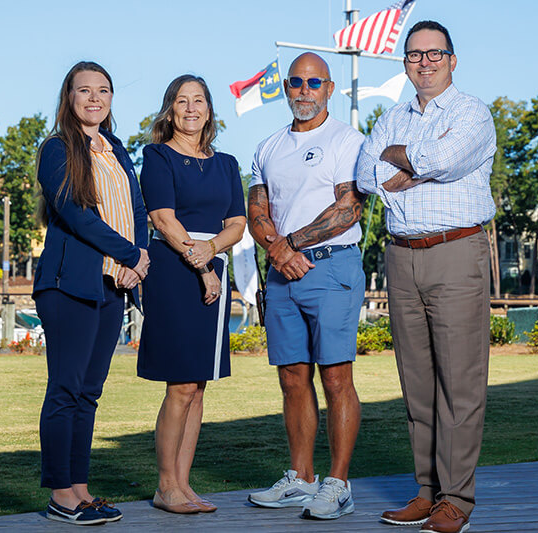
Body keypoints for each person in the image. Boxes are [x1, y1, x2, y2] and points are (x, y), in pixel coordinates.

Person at [356, 20, 496, 533]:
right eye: (415, 55)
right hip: (401, 254)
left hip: (455, 251)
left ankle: (455, 498)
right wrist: (411, 163)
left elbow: (446, 158)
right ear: (406, 63)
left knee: (459, 382)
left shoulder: (471, 112)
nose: (425, 62)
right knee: (416, 383)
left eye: (435, 54)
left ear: (452, 60)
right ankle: (426, 491)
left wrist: (406, 158)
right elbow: (366, 175)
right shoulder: (393, 115)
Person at [246, 52, 366, 520]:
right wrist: (278, 248)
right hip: (283, 275)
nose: (304, 90)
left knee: (336, 378)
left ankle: (338, 484)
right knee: (292, 378)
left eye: (314, 82)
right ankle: (301, 479)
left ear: (330, 88)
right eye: (296, 82)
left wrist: (289, 244)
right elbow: (258, 210)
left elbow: (348, 209)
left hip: (331, 268)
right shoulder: (268, 146)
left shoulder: (347, 139)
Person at [34, 61, 150, 525]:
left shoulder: (116, 149)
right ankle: (60, 495)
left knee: (89, 392)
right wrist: (130, 254)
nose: (94, 98)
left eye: (103, 90)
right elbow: (78, 215)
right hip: (69, 286)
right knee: (65, 389)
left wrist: (138, 258)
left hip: (110, 285)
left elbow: (137, 208)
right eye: (85, 90)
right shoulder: (57, 149)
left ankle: (80, 489)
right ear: (69, 97)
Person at [137, 75, 246, 514]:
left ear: (208, 109)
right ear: (170, 110)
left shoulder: (227, 163)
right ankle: (165, 486)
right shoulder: (157, 156)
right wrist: (201, 267)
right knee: (180, 384)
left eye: (198, 100)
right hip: (175, 269)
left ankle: (183, 484)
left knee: (199, 386)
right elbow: (163, 219)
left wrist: (213, 251)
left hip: (212, 263)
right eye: (181, 101)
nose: (190, 108)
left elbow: (237, 224)